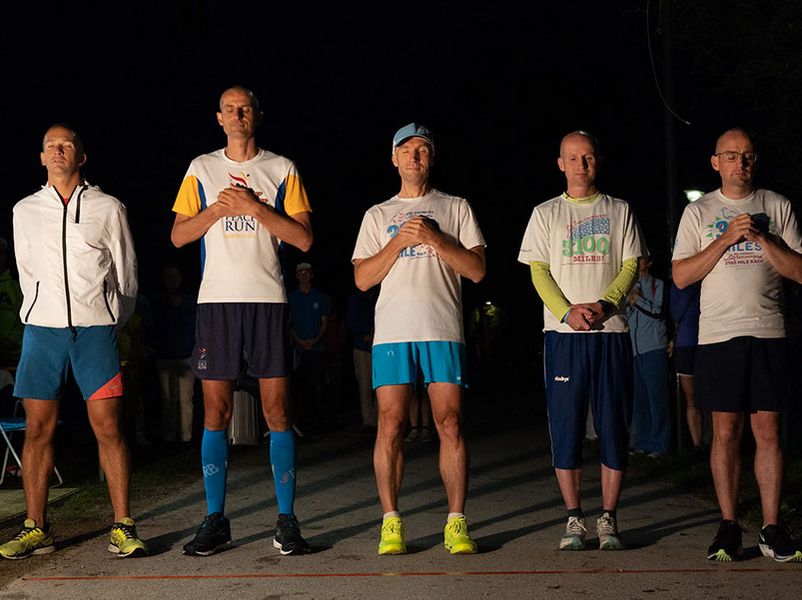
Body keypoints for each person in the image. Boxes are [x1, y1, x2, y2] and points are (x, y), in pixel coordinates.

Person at [171, 85, 314, 556]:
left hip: (268, 301)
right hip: (216, 304)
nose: (237, 115)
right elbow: (178, 236)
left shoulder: (281, 168)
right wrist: (218, 207)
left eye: (245, 107)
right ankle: (215, 519)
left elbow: (304, 239)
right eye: (229, 109)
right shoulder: (201, 168)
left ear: (257, 115)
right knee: (216, 413)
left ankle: (287, 521)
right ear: (219, 118)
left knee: (277, 414)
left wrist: (253, 206)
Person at [0, 124, 146, 559]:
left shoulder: (108, 207)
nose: (58, 151)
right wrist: (40, 310)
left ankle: (122, 525)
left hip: (95, 332)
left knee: (108, 428)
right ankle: (36, 527)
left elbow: (127, 273)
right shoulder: (24, 210)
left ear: (81, 156)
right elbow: (26, 270)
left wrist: (108, 318)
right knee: (37, 430)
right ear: (41, 157)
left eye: (67, 145)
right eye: (51, 146)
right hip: (42, 334)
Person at [352, 123, 486, 555]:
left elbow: (477, 270)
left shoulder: (456, 207)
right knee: (391, 423)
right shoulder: (377, 214)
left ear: (432, 158)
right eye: (406, 150)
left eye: (423, 150)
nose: (415, 156)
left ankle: (456, 522)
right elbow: (361, 279)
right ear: (393, 158)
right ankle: (391, 522)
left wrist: (433, 237)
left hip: (442, 328)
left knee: (449, 422)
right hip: (393, 332)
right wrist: (398, 242)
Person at [672, 127, 802, 563]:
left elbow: (799, 271)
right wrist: (726, 239)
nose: (739, 163)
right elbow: (681, 276)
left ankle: (770, 527)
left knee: (768, 432)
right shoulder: (700, 212)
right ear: (715, 162)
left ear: (755, 161)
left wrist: (763, 239)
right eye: (731, 155)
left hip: (768, 330)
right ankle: (728, 525)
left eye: (747, 155)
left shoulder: (777, 205)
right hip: (718, 334)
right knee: (725, 431)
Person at [518, 130, 644, 551]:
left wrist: (605, 306)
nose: (581, 165)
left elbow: (630, 265)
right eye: (573, 158)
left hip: (610, 332)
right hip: (563, 334)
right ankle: (574, 518)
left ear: (598, 161)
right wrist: (567, 312)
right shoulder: (545, 213)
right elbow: (538, 271)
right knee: (567, 425)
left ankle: (609, 517)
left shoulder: (620, 210)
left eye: (588, 157)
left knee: (612, 424)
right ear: (560, 164)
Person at [625, 256, 671, 458]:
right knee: (639, 400)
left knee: (657, 399)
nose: (638, 260)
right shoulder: (628, 287)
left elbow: (658, 311)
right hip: (634, 351)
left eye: (642, 258)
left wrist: (638, 300)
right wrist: (631, 300)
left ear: (649, 262)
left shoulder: (657, 284)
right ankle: (642, 442)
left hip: (654, 347)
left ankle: (660, 445)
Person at [152, 262, 197, 444]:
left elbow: (195, 324)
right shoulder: (159, 301)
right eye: (168, 278)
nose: (172, 281)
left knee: (186, 399)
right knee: (167, 399)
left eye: (175, 277)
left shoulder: (189, 299)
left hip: (186, 354)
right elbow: (156, 326)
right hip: (164, 355)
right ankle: (169, 437)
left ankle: (186, 437)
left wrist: (181, 309)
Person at [288, 262, 330, 432]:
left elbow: (324, 322)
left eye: (307, 272)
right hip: (298, 351)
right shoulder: (291, 297)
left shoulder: (319, 296)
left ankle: (318, 422)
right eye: (301, 273)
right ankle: (303, 423)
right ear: (297, 276)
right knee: (300, 388)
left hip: (317, 348)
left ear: (311, 274)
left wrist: (315, 340)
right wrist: (299, 341)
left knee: (317, 386)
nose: (304, 275)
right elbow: (288, 324)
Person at [668, 279, 706, 455]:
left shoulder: (706, 280)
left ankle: (713, 440)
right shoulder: (679, 285)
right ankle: (697, 443)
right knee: (691, 399)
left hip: (708, 341)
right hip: (686, 344)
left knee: (711, 397)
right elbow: (675, 313)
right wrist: (689, 289)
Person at [346, 286, 378, 433]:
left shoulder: (378, 295)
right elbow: (352, 321)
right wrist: (364, 334)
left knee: (380, 385)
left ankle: (378, 418)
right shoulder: (357, 299)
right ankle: (368, 421)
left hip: (379, 345)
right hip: (362, 346)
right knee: (364, 384)